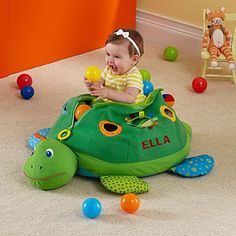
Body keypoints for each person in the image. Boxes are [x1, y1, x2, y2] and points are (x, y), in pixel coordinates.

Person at [84, 28, 146, 104]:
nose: (110, 60)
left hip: (130, 110)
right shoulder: (108, 70)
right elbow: (99, 87)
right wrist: (92, 85)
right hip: (111, 107)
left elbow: (130, 98)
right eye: (108, 54)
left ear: (134, 60)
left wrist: (107, 93)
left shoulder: (133, 75)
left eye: (116, 56)